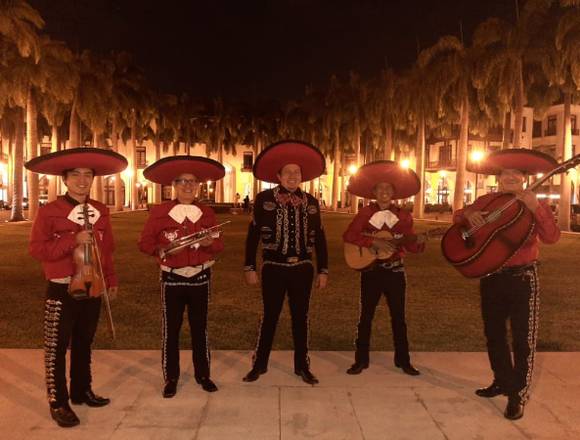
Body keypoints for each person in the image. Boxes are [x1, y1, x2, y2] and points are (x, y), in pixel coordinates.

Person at [452, 148, 560, 420]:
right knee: (495, 334)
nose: (510, 177)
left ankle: (517, 395)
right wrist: (467, 215)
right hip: (492, 277)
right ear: (498, 177)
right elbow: (459, 218)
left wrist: (536, 208)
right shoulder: (487, 200)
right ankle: (501, 380)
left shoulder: (533, 202)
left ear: (523, 178)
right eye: (505, 173)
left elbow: (552, 237)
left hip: (523, 278)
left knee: (523, 340)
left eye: (515, 173)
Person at [26, 147, 127, 428]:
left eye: (87, 175)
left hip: (93, 284)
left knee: (84, 342)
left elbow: (107, 250)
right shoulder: (49, 211)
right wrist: (73, 240)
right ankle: (59, 401)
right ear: (65, 179)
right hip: (62, 288)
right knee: (56, 347)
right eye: (75, 175)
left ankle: (82, 390)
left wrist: (111, 279)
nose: (82, 180)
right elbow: (37, 250)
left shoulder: (101, 210)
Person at [243, 140, 328, 385]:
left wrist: (323, 270)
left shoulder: (312, 202)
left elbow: (320, 237)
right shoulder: (263, 199)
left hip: (302, 267)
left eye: (297, 172)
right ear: (278, 175)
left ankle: (302, 366)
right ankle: (259, 365)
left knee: (301, 318)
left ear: (302, 176)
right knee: (270, 316)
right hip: (273, 268)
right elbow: (253, 235)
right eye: (287, 172)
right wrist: (250, 267)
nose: (293, 175)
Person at [139, 156, 225, 397]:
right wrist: (162, 249)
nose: (188, 186)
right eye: (183, 182)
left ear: (198, 186)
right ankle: (171, 377)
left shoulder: (206, 212)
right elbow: (144, 243)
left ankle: (203, 374)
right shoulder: (160, 212)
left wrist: (209, 244)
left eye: (193, 182)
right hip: (173, 279)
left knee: (200, 328)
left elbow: (219, 245)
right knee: (172, 330)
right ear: (174, 185)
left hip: (200, 277)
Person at [343, 160, 425, 377]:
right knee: (366, 316)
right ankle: (360, 361)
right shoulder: (365, 213)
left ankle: (403, 360)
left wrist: (420, 242)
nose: (384, 192)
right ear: (374, 192)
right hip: (371, 271)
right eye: (380, 188)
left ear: (394, 193)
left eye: (388, 188)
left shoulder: (404, 216)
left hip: (396, 271)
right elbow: (349, 236)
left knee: (399, 318)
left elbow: (411, 245)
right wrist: (373, 243)